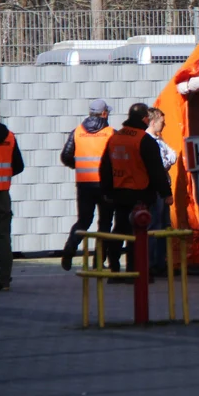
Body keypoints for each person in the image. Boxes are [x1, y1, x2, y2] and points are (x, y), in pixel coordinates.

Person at [98, 103, 171, 280]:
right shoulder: (144, 140)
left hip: (119, 192)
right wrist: (166, 193)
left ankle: (114, 271)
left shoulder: (115, 137)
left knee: (120, 230)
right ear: (144, 119)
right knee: (137, 234)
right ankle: (136, 272)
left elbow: (105, 167)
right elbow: (156, 170)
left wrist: (107, 191)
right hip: (139, 192)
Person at [60, 99, 116, 271]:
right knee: (105, 223)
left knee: (84, 220)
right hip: (105, 185)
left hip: (84, 184)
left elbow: (66, 156)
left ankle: (70, 248)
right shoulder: (111, 133)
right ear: (104, 114)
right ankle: (99, 262)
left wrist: (80, 167)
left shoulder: (77, 132)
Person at [0, 105, 25, 291]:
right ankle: (4, 282)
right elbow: (19, 165)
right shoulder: (8, 136)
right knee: (3, 238)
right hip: (2, 194)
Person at [146, 107, 177, 275]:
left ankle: (161, 262)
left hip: (163, 186)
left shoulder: (159, 140)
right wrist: (168, 159)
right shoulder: (150, 141)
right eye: (161, 122)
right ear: (153, 121)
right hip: (157, 189)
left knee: (165, 225)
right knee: (155, 224)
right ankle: (152, 263)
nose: (164, 124)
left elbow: (172, 155)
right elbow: (163, 163)